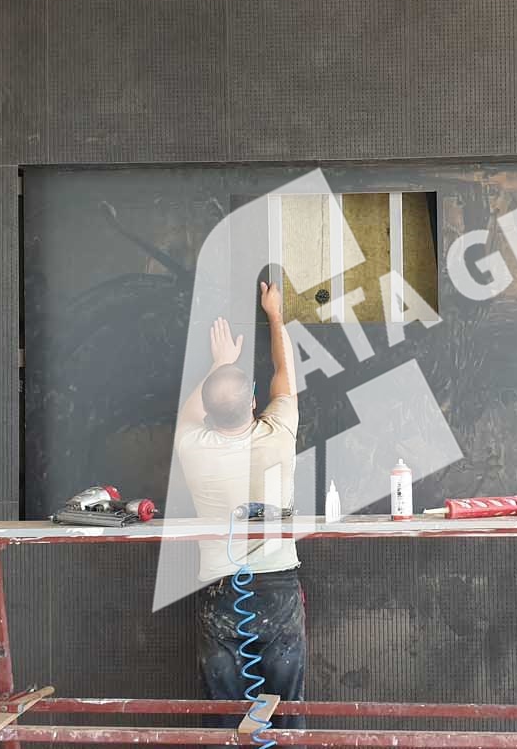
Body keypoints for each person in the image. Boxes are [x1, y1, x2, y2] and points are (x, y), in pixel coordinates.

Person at [175, 280, 305, 731]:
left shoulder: (192, 445)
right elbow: (284, 375)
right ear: (253, 401)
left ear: (209, 412)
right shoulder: (278, 434)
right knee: (286, 707)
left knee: (223, 713)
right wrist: (275, 315)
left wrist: (220, 363)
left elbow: (190, 413)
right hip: (278, 586)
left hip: (220, 593)